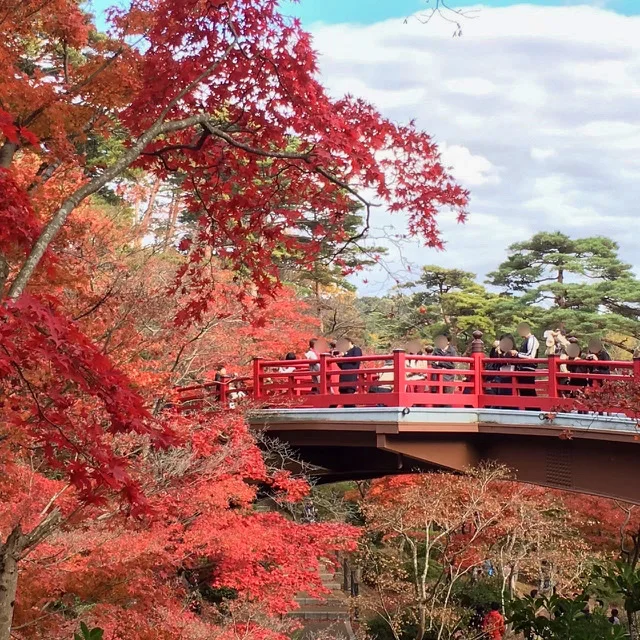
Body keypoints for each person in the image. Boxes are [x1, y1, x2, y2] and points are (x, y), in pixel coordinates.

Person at [514, 322, 540, 400]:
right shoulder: (525, 340)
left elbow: (530, 356)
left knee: (529, 391)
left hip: (528, 369)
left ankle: (534, 409)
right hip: (522, 369)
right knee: (524, 392)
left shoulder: (532, 340)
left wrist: (517, 354)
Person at [485, 334, 517, 399]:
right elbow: (492, 358)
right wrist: (494, 348)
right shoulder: (499, 351)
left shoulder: (513, 351)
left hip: (510, 377)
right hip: (499, 377)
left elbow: (504, 361)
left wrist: (500, 353)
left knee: (508, 396)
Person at [337, 337, 363, 405]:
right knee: (342, 394)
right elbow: (342, 366)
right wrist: (338, 359)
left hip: (351, 376)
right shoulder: (345, 353)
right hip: (343, 376)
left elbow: (355, 359)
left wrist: (344, 355)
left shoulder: (356, 349)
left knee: (349, 395)